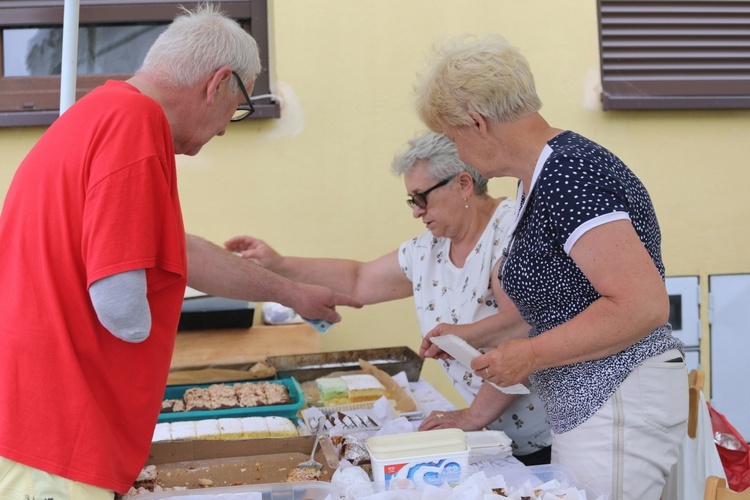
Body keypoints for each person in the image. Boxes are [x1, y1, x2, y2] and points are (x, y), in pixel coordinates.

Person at [0, 5, 357, 499]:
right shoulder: (134, 125)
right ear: (217, 84)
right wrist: (152, 335)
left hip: (39, 428)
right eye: (236, 108)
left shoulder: (102, 113)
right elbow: (121, 306)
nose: (226, 129)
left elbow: (176, 252)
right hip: (61, 441)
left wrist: (291, 293)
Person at [414, 34, 687, 499]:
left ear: (477, 123)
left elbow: (643, 305)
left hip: (614, 398)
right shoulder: (537, 178)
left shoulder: (568, 173)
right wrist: (473, 337)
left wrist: (530, 355)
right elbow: (563, 301)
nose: (458, 153)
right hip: (592, 404)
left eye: (453, 137)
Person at [225, 131, 552, 465]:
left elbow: (522, 334)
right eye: (412, 201)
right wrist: (279, 264)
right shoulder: (432, 247)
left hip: (546, 433)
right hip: (496, 437)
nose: (416, 212)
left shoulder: (510, 234)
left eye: (421, 198)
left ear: (464, 184)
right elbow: (359, 280)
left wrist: (471, 417)